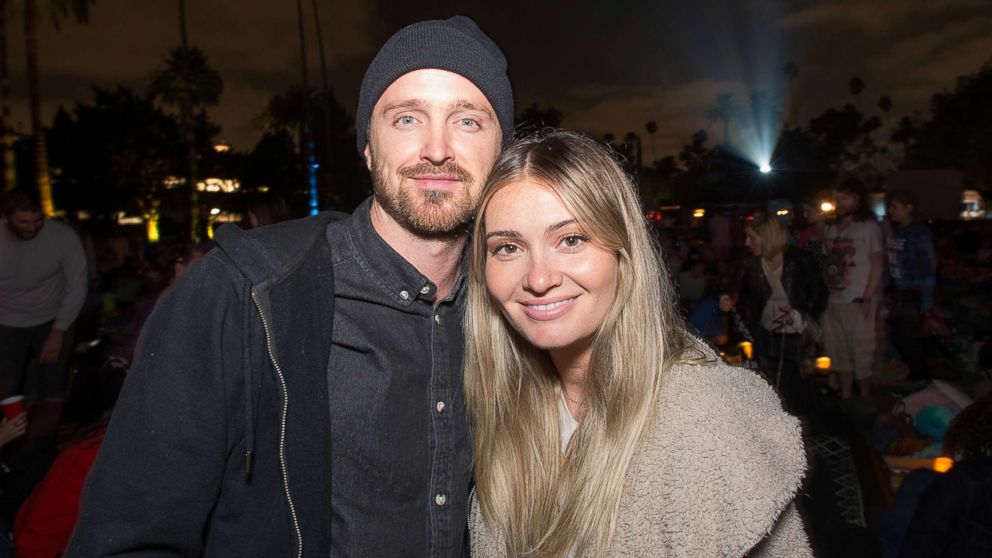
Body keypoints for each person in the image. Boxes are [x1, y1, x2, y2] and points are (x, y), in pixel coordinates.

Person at [69, 15, 513, 557]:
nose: (437, 148)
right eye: (407, 119)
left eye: (468, 121)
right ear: (368, 148)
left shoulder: (518, 308)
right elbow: (129, 537)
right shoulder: (243, 293)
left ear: (501, 151)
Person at [466, 131, 810, 557]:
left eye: (571, 240)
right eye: (508, 247)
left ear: (623, 253)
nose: (538, 278)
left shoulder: (704, 418)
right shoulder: (505, 409)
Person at [0, 189, 87, 401]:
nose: (32, 227)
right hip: (6, 321)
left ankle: (46, 433)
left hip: (53, 318)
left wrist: (59, 330)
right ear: (5, 218)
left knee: (51, 390)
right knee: (5, 389)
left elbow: (77, 285)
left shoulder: (63, 237)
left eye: (38, 220)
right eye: (23, 222)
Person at [737, 214, 827, 414]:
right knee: (770, 381)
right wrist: (728, 297)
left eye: (752, 238)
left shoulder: (799, 259)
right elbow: (738, 288)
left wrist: (799, 314)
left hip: (797, 330)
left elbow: (819, 293)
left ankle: (802, 424)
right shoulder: (750, 261)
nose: (747, 243)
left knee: (793, 381)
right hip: (766, 328)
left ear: (767, 236)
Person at [821, 177, 884, 398]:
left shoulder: (868, 228)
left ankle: (865, 400)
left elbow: (877, 263)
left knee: (862, 351)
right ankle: (846, 398)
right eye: (837, 197)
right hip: (834, 299)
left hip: (857, 299)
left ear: (857, 199)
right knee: (838, 352)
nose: (839, 202)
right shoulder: (832, 230)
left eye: (844, 197)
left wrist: (867, 297)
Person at [885, 190, 938, 380]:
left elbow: (928, 269)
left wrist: (926, 304)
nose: (890, 211)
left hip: (912, 294)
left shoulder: (918, 233)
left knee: (907, 338)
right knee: (898, 337)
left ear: (908, 208)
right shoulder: (896, 232)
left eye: (895, 206)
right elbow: (891, 265)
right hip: (898, 294)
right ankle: (915, 376)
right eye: (890, 206)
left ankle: (922, 378)